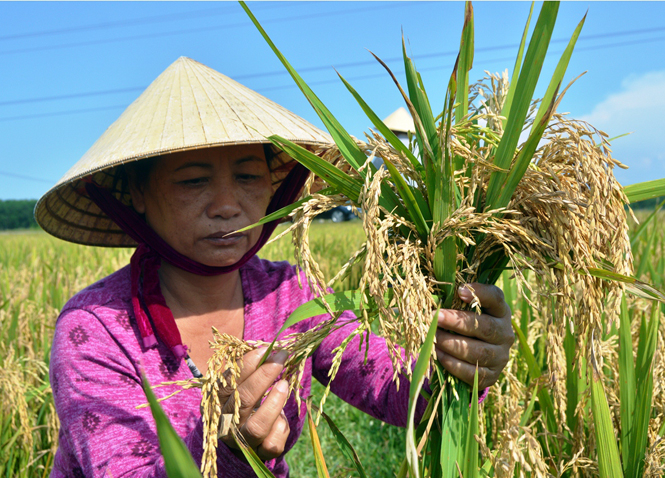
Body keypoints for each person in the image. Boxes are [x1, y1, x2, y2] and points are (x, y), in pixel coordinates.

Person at [37, 57, 514, 478]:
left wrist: (463, 359)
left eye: (247, 176)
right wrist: (229, 454)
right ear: (137, 194)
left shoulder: (290, 292)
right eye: (193, 180)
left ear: (273, 187)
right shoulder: (95, 330)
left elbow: (395, 391)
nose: (227, 205)